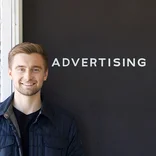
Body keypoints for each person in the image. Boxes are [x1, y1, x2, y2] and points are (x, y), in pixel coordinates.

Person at [0, 42, 84, 156]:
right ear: (10, 73)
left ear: (45, 74)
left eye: (35, 69)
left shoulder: (65, 124)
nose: (28, 77)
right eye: (21, 69)